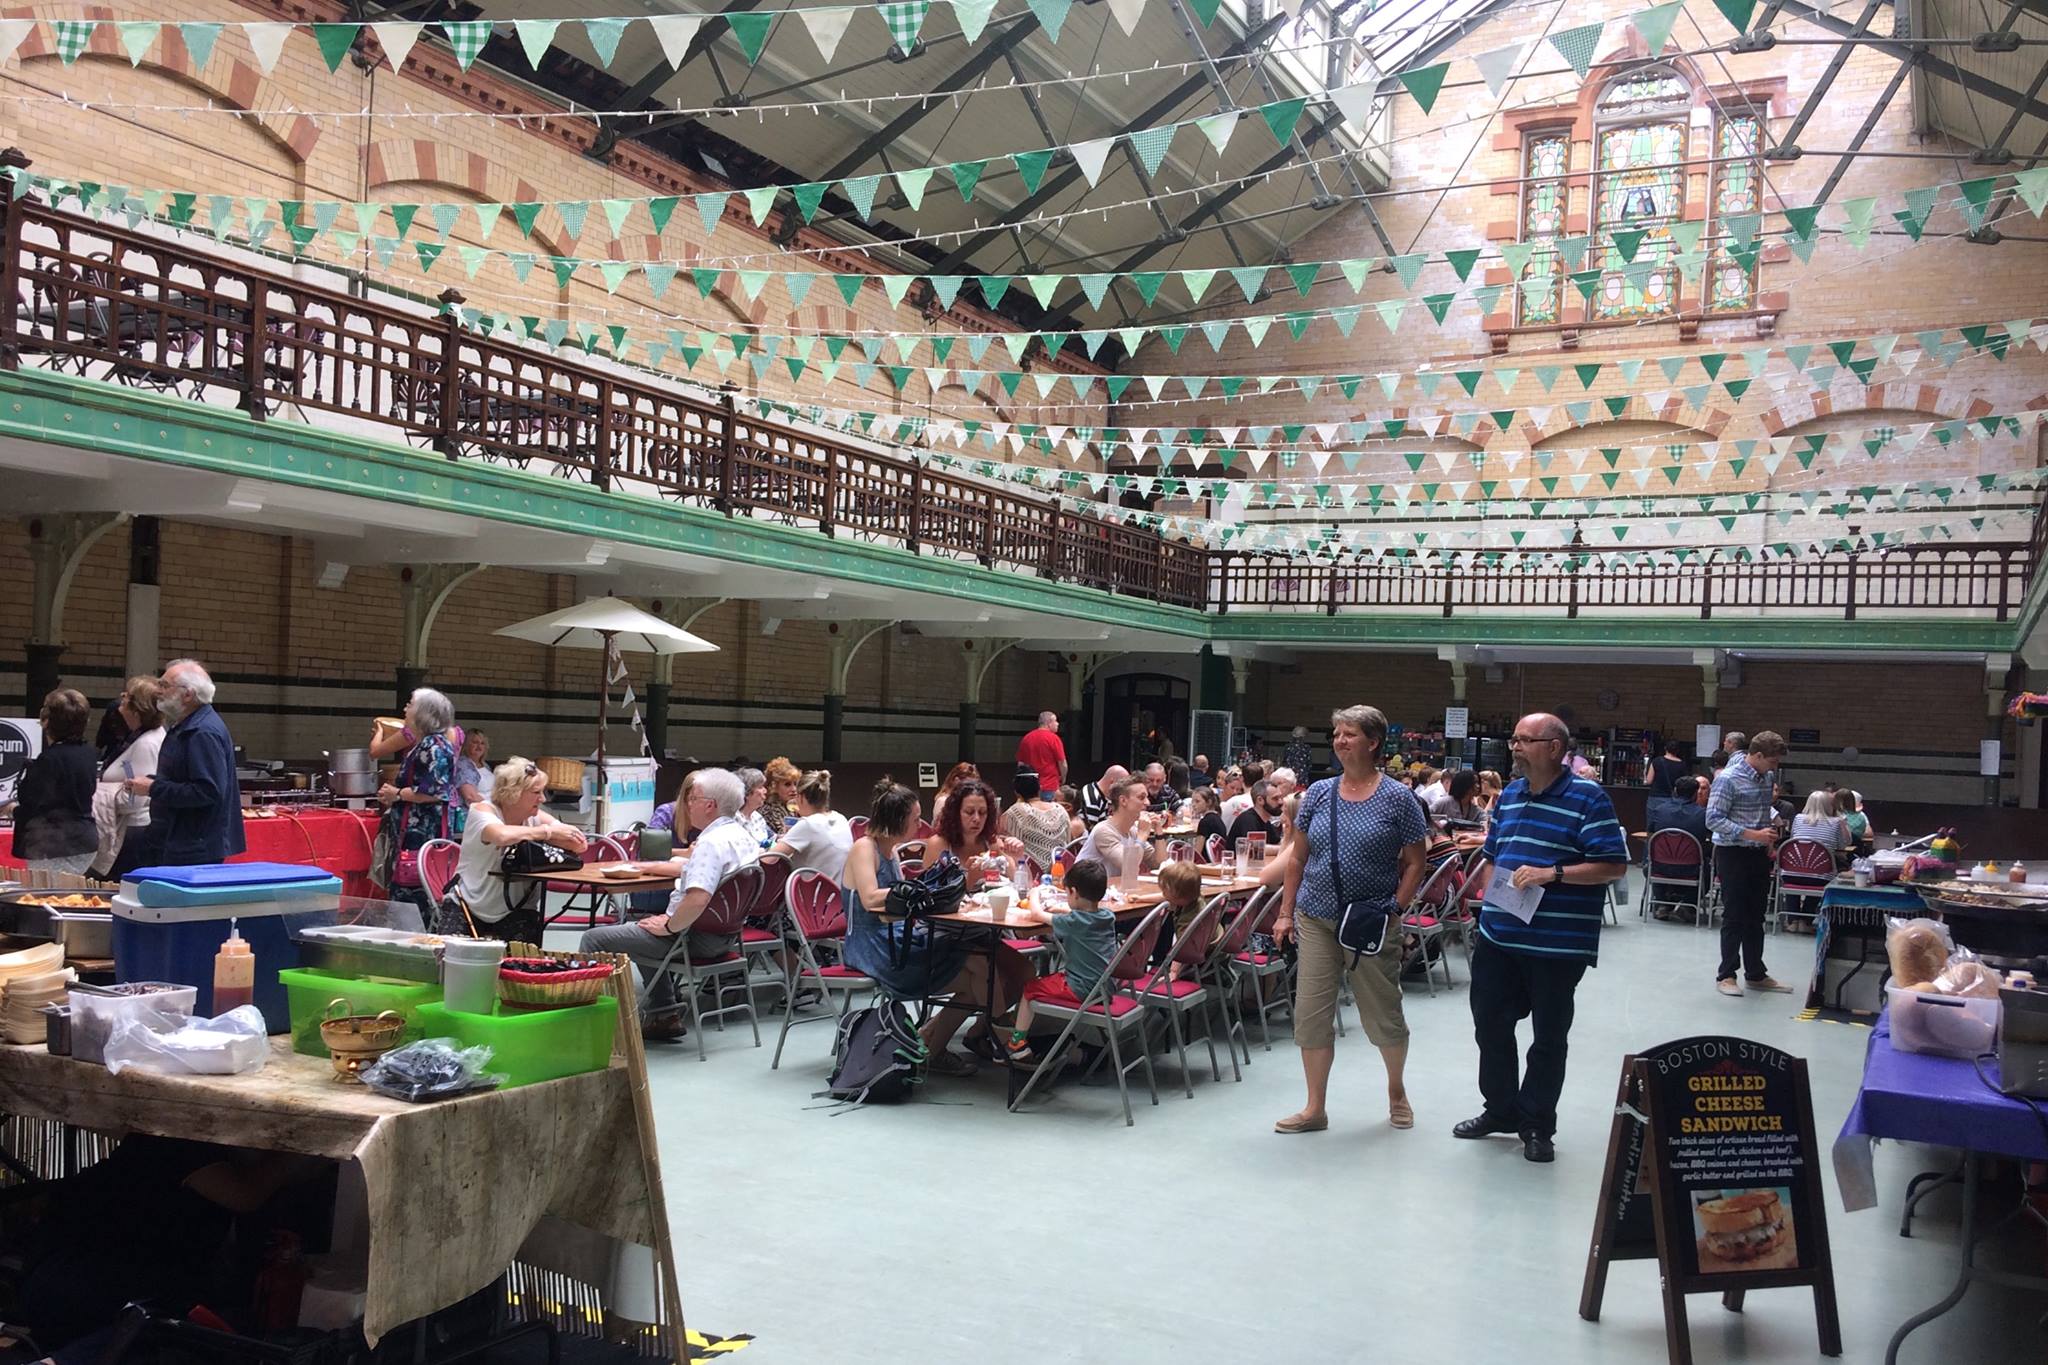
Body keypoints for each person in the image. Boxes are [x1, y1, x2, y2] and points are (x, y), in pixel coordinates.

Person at [1455, 712, 1628, 1164]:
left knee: (1548, 1037)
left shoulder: (1588, 798)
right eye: (1513, 739)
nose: (1514, 746)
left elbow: (1613, 865)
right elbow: (1493, 854)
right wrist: (1490, 899)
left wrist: (1553, 874)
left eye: (1524, 740)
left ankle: (1536, 1123)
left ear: (1554, 747)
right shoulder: (1510, 795)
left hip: (1557, 944)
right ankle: (1500, 1109)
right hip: (1499, 935)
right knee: (1490, 1025)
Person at [1268, 705, 1429, 1135]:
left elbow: (1417, 862)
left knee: (1382, 1011)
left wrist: (1395, 909)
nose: (1340, 741)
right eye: (1337, 733)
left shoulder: (1398, 798)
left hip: (1369, 922)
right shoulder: (1320, 793)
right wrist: (1285, 913)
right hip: (1316, 917)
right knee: (1311, 1012)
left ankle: (1396, 1091)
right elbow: (1297, 859)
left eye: (1349, 734)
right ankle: (1314, 1107)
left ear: (1373, 742)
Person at [841, 783, 1030, 1074]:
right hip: (873, 947)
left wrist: (924, 892)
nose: (920, 825)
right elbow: (869, 898)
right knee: (979, 969)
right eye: (915, 819)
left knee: (980, 972)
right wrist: (920, 890)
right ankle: (1001, 1037)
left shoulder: (890, 852)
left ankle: (939, 1046)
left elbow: (901, 899)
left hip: (896, 936)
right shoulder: (864, 848)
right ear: (897, 819)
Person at [580, 767, 759, 1042]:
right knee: (646, 927)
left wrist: (669, 926)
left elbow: (698, 898)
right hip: (726, 936)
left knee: (595, 938)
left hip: (693, 937)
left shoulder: (710, 843)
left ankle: (592, 1023)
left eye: (693, 798)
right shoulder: (743, 837)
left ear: (709, 805)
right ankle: (664, 1014)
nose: (688, 804)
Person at [444, 757, 589, 944]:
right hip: (468, 904)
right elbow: (501, 835)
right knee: (450, 957)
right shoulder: (482, 811)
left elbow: (579, 844)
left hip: (517, 909)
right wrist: (547, 832)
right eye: (536, 792)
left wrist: (550, 833)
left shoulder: (535, 817)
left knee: (524, 958)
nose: (543, 799)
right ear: (513, 792)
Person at [124, 659, 245, 867]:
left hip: (194, 846)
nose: (158, 691)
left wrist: (153, 788)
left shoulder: (202, 732)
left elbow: (208, 791)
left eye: (164, 685)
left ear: (188, 695)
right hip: (182, 839)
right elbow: (184, 778)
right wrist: (152, 783)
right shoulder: (187, 725)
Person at [1003, 858, 1118, 1063]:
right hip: (1104, 988)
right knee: (1050, 979)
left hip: (1082, 989)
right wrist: (1062, 910)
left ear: (1073, 892)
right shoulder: (1107, 916)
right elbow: (1081, 917)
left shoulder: (1074, 922)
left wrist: (1034, 893)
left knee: (1030, 989)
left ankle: (1017, 1044)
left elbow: (1036, 914)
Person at [1706, 731, 1793, 999]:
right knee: (1734, 915)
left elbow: (1763, 812)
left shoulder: (1767, 778)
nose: (1775, 767)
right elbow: (1713, 819)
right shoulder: (1727, 779)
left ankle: (1755, 973)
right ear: (1757, 755)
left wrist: (1767, 839)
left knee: (1756, 915)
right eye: (1773, 761)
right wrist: (1752, 834)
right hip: (1732, 853)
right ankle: (1726, 974)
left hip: (1758, 854)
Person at [371, 687, 459, 916]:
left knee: (416, 899)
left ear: (424, 713)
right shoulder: (426, 744)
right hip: (411, 833)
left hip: (422, 836)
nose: (405, 709)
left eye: (410, 704)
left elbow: (435, 791)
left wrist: (397, 794)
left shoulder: (434, 747)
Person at [7, 688, 97, 874]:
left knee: (48, 891)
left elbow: (35, 806)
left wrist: (12, 810)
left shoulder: (49, 760)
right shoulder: (88, 753)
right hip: (85, 840)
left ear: (46, 720)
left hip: (55, 846)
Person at [89, 677, 166, 879]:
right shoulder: (139, 737)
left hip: (131, 836)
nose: (121, 698)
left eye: (127, 696)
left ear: (136, 710)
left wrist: (98, 793)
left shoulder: (146, 744)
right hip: (128, 830)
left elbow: (134, 799)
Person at [924, 777, 1024, 885]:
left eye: (982, 812)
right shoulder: (938, 845)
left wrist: (1018, 858)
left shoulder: (992, 844)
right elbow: (930, 891)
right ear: (955, 813)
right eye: (969, 812)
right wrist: (969, 881)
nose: (977, 819)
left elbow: (1022, 884)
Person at [1645, 776, 1712, 921]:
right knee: (1709, 869)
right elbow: (1711, 838)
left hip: (1660, 867)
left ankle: (1662, 903)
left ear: (1675, 791)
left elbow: (1650, 837)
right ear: (1695, 794)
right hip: (1691, 868)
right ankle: (1687, 905)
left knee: (1648, 865)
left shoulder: (1659, 810)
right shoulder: (1703, 815)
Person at [769, 769, 853, 882]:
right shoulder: (840, 818)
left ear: (801, 797)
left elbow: (768, 859)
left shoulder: (808, 824)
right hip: (841, 890)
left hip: (816, 891)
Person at [998, 769, 1072, 874]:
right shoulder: (1060, 809)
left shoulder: (1015, 811)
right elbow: (1068, 844)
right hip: (1062, 873)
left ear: (1016, 793)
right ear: (1040, 789)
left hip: (1030, 876)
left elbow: (1010, 851)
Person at [1084, 777, 1162, 876]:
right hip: (1087, 885)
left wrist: (1159, 833)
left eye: (1147, 797)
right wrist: (1142, 834)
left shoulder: (1133, 831)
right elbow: (1129, 866)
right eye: (1141, 797)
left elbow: (1159, 864)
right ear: (1123, 801)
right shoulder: (1104, 831)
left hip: (1114, 885)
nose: (1148, 803)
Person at [1789, 789, 1850, 857]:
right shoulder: (1836, 822)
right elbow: (1842, 846)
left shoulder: (1798, 818)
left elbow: (1792, 840)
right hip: (1825, 862)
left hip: (1797, 861)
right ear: (1828, 805)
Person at [1015, 711, 1068, 787]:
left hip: (1031, 785)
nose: (1057, 724)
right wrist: (1063, 778)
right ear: (1049, 723)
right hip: (1049, 784)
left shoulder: (1027, 738)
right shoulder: (1054, 739)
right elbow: (1062, 763)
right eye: (1055, 721)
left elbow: (1021, 763)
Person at [1227, 779, 1284, 848]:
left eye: (1281, 797)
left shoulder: (1266, 821)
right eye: (1275, 798)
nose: (1281, 802)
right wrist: (1282, 849)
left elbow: (1277, 842)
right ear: (1260, 800)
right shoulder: (1248, 820)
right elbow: (1255, 848)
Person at [761, 757, 800, 839]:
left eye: (795, 784)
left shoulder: (793, 807)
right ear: (774, 786)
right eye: (787, 784)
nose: (794, 789)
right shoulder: (769, 811)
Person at [452, 728, 490, 809]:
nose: (479, 746)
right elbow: (471, 797)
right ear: (466, 745)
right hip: (476, 811)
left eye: (482, 743)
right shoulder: (462, 764)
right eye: (475, 742)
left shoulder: (486, 765)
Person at [735, 767, 772, 843]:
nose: (765, 791)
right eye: (760, 787)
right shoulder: (734, 819)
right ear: (747, 793)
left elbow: (771, 839)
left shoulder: (757, 817)